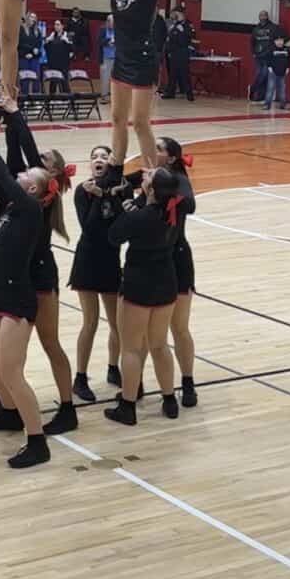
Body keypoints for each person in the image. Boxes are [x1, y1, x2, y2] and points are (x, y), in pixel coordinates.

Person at [0, 119, 53, 469]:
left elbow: (4, 176)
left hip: (17, 298)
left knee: (11, 370)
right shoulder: (12, 207)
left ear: (32, 189)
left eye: (25, 175)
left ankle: (37, 442)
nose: (18, 175)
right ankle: (8, 412)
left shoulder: (31, 209)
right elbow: (0, 172)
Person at [0, 101, 78, 436]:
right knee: (9, 347)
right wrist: (9, 122)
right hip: (20, 273)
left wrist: (16, 113)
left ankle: (68, 407)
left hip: (41, 273)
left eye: (44, 161)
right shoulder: (28, 188)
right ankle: (6, 400)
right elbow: (15, 158)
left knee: (49, 342)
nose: (36, 162)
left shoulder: (45, 195)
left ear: (53, 174)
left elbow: (27, 154)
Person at [104, 167, 181, 427]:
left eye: (148, 176)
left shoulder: (140, 216)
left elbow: (114, 236)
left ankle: (127, 407)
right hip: (166, 284)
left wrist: (132, 207)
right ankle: (169, 400)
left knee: (131, 348)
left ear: (150, 189)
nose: (144, 174)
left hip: (138, 286)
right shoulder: (174, 211)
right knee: (160, 345)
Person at [80, 0, 159, 170]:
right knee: (117, 119)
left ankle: (152, 174)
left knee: (140, 123)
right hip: (122, 57)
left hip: (142, 59)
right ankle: (116, 170)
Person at [69, 144, 122, 402]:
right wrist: (99, 196)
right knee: (90, 322)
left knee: (117, 323)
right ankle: (80, 378)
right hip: (87, 260)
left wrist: (108, 195)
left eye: (104, 156)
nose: (98, 160)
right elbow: (89, 228)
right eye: (94, 157)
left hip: (111, 259)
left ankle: (113, 369)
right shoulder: (82, 190)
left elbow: (120, 228)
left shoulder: (121, 188)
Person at [156, 137, 198, 408]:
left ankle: (188, 382)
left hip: (177, 257)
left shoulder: (176, 179)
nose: (152, 151)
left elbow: (190, 205)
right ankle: (161, 391)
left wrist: (165, 192)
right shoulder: (150, 176)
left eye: (158, 149)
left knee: (179, 327)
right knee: (152, 333)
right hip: (153, 261)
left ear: (171, 158)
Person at [162, 7, 193, 102]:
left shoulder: (187, 25)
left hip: (183, 53)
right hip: (174, 53)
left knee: (184, 74)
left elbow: (187, 40)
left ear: (181, 14)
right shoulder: (174, 25)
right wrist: (168, 51)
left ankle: (189, 94)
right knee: (172, 74)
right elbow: (170, 40)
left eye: (178, 14)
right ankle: (170, 92)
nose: (176, 16)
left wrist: (182, 31)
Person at [250, 10, 277, 103]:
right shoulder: (256, 29)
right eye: (261, 15)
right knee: (259, 75)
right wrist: (253, 52)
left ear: (267, 17)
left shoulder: (273, 27)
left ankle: (257, 92)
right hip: (258, 56)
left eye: (264, 15)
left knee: (265, 75)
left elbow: (277, 39)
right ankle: (259, 95)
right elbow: (252, 41)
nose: (262, 17)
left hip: (268, 56)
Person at [43, 19, 73, 93]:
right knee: (53, 84)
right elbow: (46, 48)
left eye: (58, 24)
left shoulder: (67, 35)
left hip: (63, 64)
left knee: (64, 83)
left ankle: (66, 98)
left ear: (62, 26)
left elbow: (72, 49)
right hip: (53, 64)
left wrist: (67, 41)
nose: (55, 26)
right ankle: (52, 98)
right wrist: (47, 41)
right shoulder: (52, 35)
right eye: (55, 24)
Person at [17, 11, 42, 96]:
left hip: (34, 57)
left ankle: (36, 97)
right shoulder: (21, 29)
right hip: (24, 57)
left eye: (35, 17)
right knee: (25, 78)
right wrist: (31, 50)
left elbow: (38, 43)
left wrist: (34, 53)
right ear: (27, 18)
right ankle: (24, 97)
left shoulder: (37, 31)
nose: (33, 19)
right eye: (31, 17)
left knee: (36, 77)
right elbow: (21, 43)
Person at [263, 34, 290, 111]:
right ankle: (267, 104)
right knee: (270, 88)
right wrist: (269, 67)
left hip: (282, 72)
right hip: (273, 72)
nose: (279, 42)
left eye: (281, 40)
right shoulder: (271, 49)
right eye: (277, 41)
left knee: (282, 89)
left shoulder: (286, 49)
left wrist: (288, 68)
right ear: (274, 41)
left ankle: (283, 104)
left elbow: (289, 59)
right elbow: (267, 59)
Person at [97, 14, 115, 103]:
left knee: (115, 79)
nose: (113, 24)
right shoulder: (103, 30)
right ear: (107, 22)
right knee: (105, 78)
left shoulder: (117, 30)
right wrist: (109, 41)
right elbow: (99, 42)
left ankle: (114, 96)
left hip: (116, 58)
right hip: (105, 58)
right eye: (111, 22)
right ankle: (104, 96)